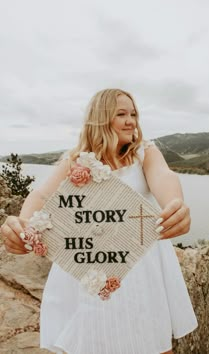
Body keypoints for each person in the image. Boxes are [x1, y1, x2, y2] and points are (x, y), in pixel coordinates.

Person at [1, 88, 198, 354]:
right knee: (94, 338)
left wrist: (175, 203)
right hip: (90, 265)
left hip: (140, 264)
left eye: (134, 114)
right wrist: (22, 225)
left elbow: (164, 176)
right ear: (101, 118)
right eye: (122, 114)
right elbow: (42, 194)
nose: (132, 121)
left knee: (151, 340)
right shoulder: (75, 160)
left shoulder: (144, 152)